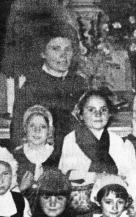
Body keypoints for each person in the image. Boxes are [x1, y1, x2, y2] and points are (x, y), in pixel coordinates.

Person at [10, 28, 86, 162]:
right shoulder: (31, 87)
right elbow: (17, 133)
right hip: (43, 160)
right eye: (56, 49)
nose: (63, 55)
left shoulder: (80, 83)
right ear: (42, 53)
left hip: (77, 159)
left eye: (68, 49)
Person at [59, 89, 136, 197]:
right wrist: (96, 177)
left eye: (103, 110)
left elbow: (133, 177)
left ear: (110, 114)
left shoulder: (119, 142)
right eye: (91, 110)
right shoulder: (71, 139)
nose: (98, 114)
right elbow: (66, 175)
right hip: (80, 200)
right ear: (80, 114)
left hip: (113, 200)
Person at [14, 105, 55, 207]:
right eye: (32, 126)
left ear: (49, 131)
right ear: (25, 129)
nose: (37, 130)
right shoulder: (16, 156)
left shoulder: (56, 156)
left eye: (43, 127)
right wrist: (21, 188)